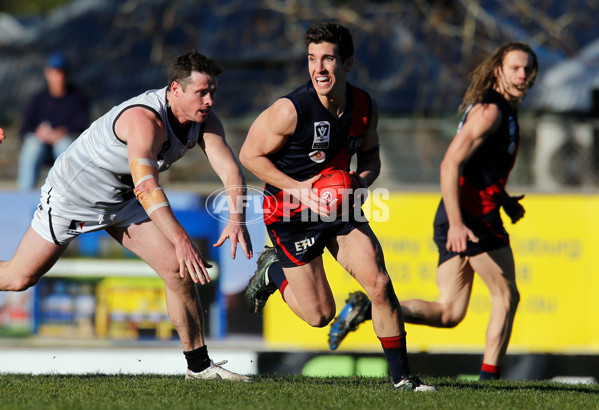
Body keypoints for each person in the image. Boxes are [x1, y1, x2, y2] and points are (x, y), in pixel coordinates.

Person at [0, 51, 253, 381]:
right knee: (19, 278)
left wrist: (237, 217)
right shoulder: (144, 120)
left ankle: (199, 367)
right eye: (201, 92)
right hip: (74, 197)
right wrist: (180, 239)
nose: (208, 100)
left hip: (123, 198)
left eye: (212, 92)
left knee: (178, 270)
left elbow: (230, 171)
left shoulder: (204, 121)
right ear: (175, 89)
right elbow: (147, 188)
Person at [240, 22, 436, 392]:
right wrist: (298, 188)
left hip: (340, 206)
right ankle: (272, 272)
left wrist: (360, 181)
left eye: (328, 59)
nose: (319, 69)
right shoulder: (289, 110)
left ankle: (402, 380)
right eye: (312, 59)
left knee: (379, 284)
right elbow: (249, 154)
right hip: (290, 215)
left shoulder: (364, 106)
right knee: (320, 315)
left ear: (347, 63)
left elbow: (372, 155)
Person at [328, 41, 539, 381]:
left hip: (466, 212)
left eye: (528, 69)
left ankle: (368, 308)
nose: (522, 74)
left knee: (450, 312)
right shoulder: (491, 111)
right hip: (470, 218)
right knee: (507, 294)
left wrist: (503, 198)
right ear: (498, 70)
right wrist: (457, 223)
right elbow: (450, 164)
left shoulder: (503, 109)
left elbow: (478, 168)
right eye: (515, 67)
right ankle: (490, 381)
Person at [18, 52, 90, 190]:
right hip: (41, 147)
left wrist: (62, 132)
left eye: (62, 73)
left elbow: (83, 126)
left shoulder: (78, 98)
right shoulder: (38, 98)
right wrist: (39, 132)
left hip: (64, 144)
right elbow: (25, 128)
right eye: (55, 72)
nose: (59, 77)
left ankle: (69, 194)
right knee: (32, 146)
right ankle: (24, 194)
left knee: (64, 145)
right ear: (48, 74)